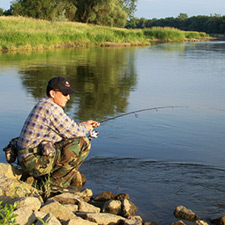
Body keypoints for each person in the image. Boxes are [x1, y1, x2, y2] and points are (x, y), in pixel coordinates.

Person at [16, 76, 100, 190]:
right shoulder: (51, 109)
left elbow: (67, 130)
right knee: (83, 143)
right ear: (53, 93)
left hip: (26, 159)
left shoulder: (43, 103)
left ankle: (43, 178)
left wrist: (84, 125)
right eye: (65, 94)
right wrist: (86, 127)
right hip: (32, 162)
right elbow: (75, 132)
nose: (68, 97)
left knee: (69, 140)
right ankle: (54, 185)